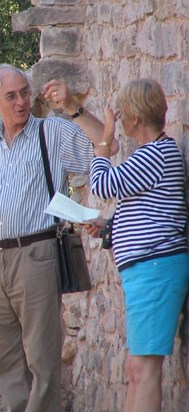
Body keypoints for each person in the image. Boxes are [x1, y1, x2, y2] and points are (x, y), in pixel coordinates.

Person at [0, 63, 119, 412]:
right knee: (6, 361)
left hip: (37, 254)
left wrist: (74, 109)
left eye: (24, 92)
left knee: (42, 358)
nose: (21, 101)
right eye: (11, 96)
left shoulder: (50, 132)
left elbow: (105, 146)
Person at [85, 78, 189, 412]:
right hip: (148, 270)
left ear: (134, 120)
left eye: (121, 114)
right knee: (135, 368)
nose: (119, 121)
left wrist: (105, 138)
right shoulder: (154, 155)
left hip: (155, 270)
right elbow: (154, 211)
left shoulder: (154, 155)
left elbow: (102, 185)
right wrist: (110, 225)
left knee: (143, 370)